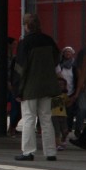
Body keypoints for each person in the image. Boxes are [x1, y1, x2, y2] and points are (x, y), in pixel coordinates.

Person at [13, 12, 61, 161]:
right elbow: (56, 59)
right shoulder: (49, 40)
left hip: (30, 87)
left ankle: (28, 152)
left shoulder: (25, 43)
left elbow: (20, 68)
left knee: (29, 119)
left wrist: (17, 90)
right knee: (46, 119)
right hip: (47, 86)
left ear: (26, 26)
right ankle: (51, 152)